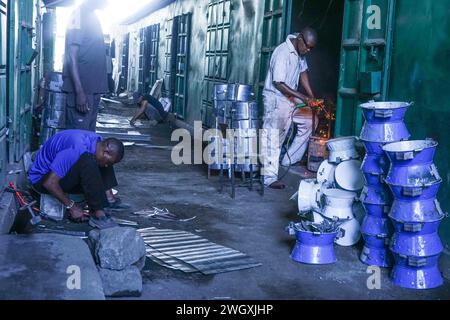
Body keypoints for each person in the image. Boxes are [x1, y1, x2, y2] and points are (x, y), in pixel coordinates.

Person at [28, 130, 124, 229]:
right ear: (105, 151)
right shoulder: (76, 148)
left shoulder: (97, 140)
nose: (108, 166)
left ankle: (108, 198)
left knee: (102, 162)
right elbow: (49, 183)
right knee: (89, 162)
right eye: (109, 162)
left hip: (60, 173)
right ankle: (98, 214)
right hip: (40, 180)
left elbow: (104, 161)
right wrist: (72, 207)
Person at [262, 28, 318, 190]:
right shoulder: (282, 53)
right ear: (300, 38)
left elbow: (303, 72)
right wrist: (303, 97)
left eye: (311, 49)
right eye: (307, 46)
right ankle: (269, 177)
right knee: (273, 137)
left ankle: (289, 159)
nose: (308, 50)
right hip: (276, 99)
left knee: (310, 120)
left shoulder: (300, 52)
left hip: (291, 98)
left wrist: (310, 95)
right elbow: (278, 83)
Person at [62, 0, 109, 131]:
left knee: (89, 138)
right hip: (83, 91)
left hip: (92, 91)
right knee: (79, 138)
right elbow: (72, 55)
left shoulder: (92, 16)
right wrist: (79, 92)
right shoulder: (78, 14)